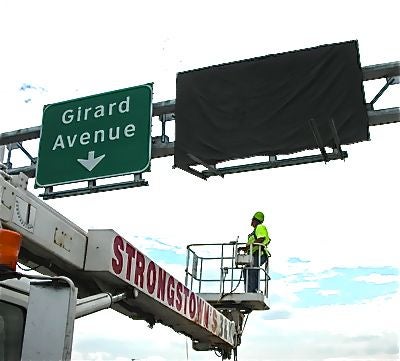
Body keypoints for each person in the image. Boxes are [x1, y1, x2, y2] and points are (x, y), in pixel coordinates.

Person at [239, 211, 271, 293]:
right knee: (247, 269)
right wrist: (246, 248)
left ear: (255, 220)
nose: (251, 222)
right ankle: (249, 290)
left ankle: (253, 290)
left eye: (252, 220)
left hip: (260, 254)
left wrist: (247, 248)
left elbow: (261, 239)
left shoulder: (260, 227)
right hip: (254, 255)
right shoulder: (256, 230)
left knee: (252, 269)